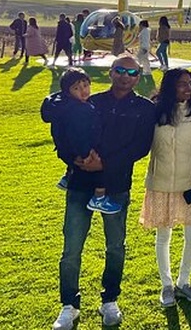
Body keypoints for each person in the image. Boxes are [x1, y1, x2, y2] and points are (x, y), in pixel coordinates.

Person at [50, 55, 156, 330]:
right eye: (120, 70)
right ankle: (69, 306)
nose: (125, 76)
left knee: (115, 247)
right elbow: (61, 130)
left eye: (132, 72)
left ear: (138, 77)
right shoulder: (89, 100)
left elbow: (140, 147)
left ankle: (110, 300)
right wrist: (72, 158)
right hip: (80, 183)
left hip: (117, 185)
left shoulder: (144, 109)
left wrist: (105, 163)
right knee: (71, 248)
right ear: (111, 72)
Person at [140, 68, 191, 307]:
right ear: (170, 86)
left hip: (189, 185)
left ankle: (184, 281)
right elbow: (139, 142)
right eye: (182, 84)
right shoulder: (155, 109)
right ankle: (167, 285)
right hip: (159, 183)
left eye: (190, 83)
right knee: (164, 236)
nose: (188, 88)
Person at [42, 68, 122, 216]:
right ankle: (99, 197)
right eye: (76, 88)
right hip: (82, 149)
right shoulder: (78, 109)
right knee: (102, 164)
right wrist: (87, 154)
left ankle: (68, 175)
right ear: (68, 92)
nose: (83, 90)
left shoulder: (62, 106)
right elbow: (78, 134)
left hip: (68, 150)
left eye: (85, 85)